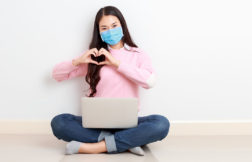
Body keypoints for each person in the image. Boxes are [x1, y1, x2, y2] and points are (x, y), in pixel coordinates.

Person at [50, 6, 170, 156]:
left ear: (122, 26)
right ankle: (125, 143)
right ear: (99, 32)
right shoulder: (95, 56)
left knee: (161, 124)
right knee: (59, 122)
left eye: (114, 26)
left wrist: (117, 64)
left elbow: (150, 81)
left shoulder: (137, 54)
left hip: (129, 124)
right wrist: (77, 61)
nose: (110, 31)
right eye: (104, 28)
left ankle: (95, 147)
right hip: (97, 124)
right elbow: (56, 75)